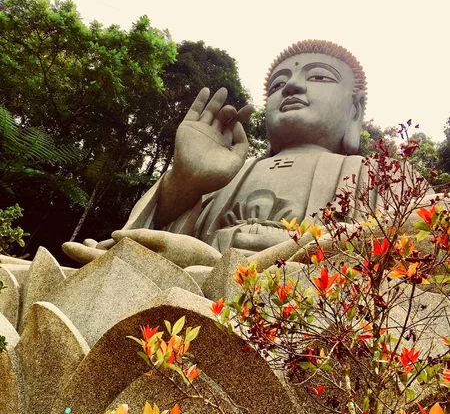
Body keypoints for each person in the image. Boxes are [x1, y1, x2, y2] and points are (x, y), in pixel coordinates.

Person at [63, 40, 422, 266]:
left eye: (320, 77)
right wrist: (186, 182)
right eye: (278, 84)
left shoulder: (377, 173)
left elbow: (427, 230)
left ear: (355, 110)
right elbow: (154, 240)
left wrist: (302, 248)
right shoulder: (234, 172)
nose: (292, 86)